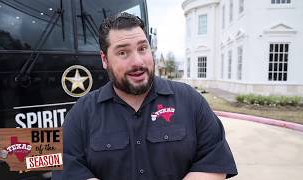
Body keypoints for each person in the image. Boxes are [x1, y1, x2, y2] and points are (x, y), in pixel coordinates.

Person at [52, 12, 237, 180]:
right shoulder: (81, 114)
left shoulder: (190, 101)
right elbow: (68, 172)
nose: (138, 62)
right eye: (123, 52)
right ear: (104, 59)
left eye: (142, 48)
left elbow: (214, 163)